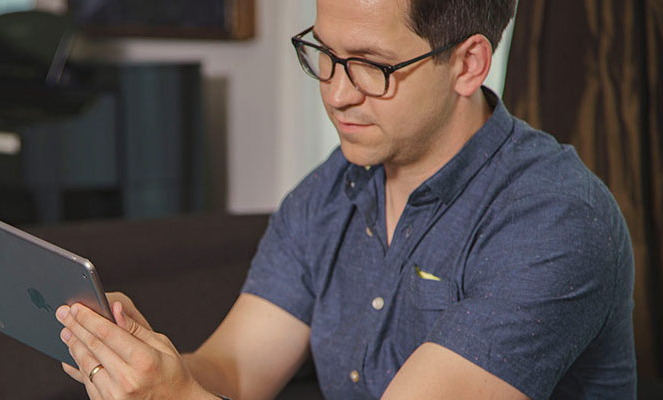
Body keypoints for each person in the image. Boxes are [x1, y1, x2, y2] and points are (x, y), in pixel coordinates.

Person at [54, 0, 637, 398]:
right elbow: (231, 371)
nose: (335, 93)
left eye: (371, 67)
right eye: (325, 54)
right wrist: (153, 363)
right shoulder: (328, 194)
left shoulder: (554, 219)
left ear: (468, 63)